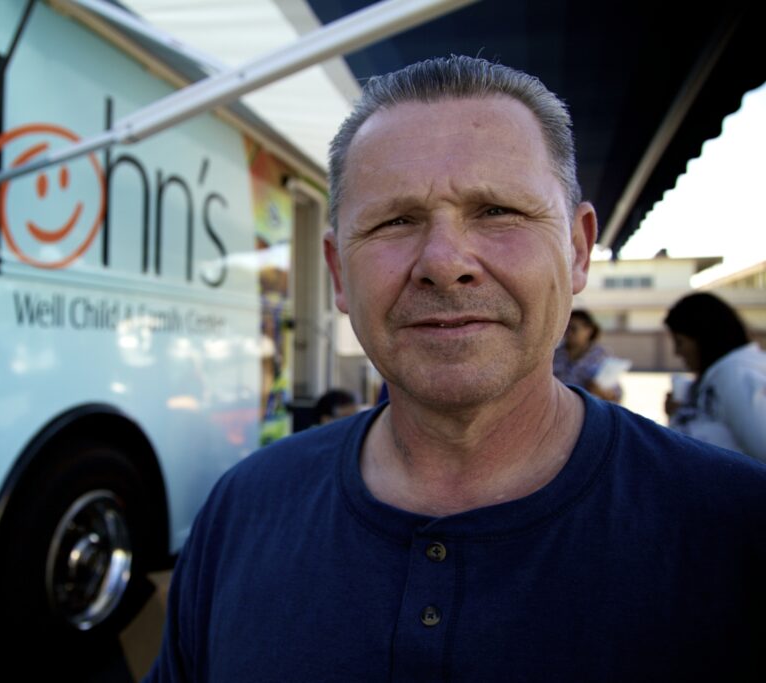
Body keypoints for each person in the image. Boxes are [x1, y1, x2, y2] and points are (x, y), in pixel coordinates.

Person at [145, 56, 766, 681]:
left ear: (577, 250)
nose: (444, 262)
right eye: (396, 221)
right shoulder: (241, 512)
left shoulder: (737, 530)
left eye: (498, 211)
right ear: (338, 272)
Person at [664, 291, 766, 461]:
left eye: (680, 342)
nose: (677, 352)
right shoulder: (720, 376)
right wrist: (677, 413)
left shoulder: (734, 376)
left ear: (703, 338)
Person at [553, 309, 622, 401]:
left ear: (588, 330)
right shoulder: (554, 355)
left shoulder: (602, 356)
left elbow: (615, 394)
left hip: (590, 409)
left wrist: (602, 392)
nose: (568, 333)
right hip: (560, 408)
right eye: (566, 328)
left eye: (573, 329)